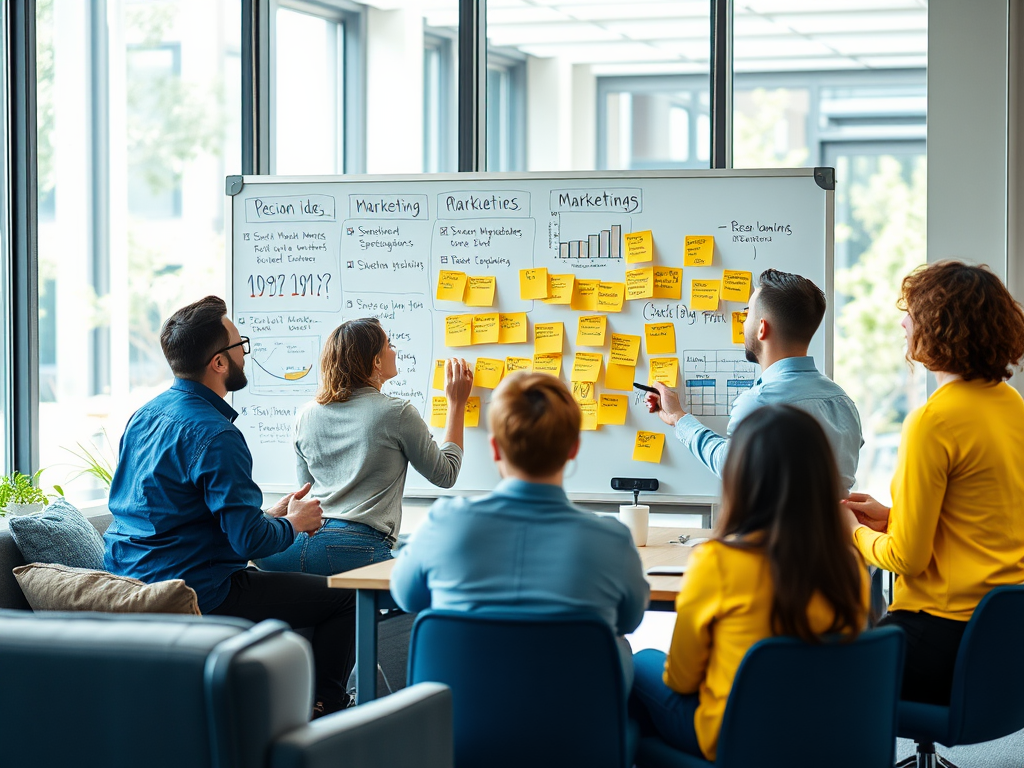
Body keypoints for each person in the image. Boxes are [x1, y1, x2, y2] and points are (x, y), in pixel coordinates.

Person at [104, 296, 356, 717]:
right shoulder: (216, 434)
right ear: (219, 363)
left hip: (130, 581)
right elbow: (248, 542)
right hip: (198, 592)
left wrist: (271, 516)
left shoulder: (144, 416)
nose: (245, 353)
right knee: (346, 598)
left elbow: (175, 513)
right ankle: (325, 709)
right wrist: (294, 524)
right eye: (241, 345)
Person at [630, 405, 869, 761]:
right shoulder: (848, 566)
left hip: (736, 741)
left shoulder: (717, 563)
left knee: (641, 664)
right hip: (824, 738)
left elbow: (681, 680)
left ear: (740, 478)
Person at [390, 372, 650, 686]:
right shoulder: (612, 541)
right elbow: (629, 619)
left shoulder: (444, 524)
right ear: (573, 448)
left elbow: (406, 597)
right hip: (578, 729)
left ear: (495, 448)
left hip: (459, 730)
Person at [843, 260, 1024, 706]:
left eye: (914, 311)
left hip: (939, 636)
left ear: (941, 326)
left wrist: (852, 532)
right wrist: (891, 517)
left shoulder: (932, 421)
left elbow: (906, 558)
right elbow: (984, 518)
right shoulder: (1011, 405)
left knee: (809, 677)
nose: (904, 321)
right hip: (1004, 634)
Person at [256, 317, 474, 576]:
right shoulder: (396, 412)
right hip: (352, 550)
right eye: (389, 345)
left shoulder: (305, 415)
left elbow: (307, 492)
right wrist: (457, 403)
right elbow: (446, 474)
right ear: (376, 361)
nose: (395, 350)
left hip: (287, 549)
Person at [644, 268, 863, 492]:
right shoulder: (844, 402)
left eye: (747, 313)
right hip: (839, 528)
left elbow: (729, 465)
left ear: (761, 328)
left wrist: (678, 418)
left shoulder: (759, 402)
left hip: (776, 528)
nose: (742, 322)